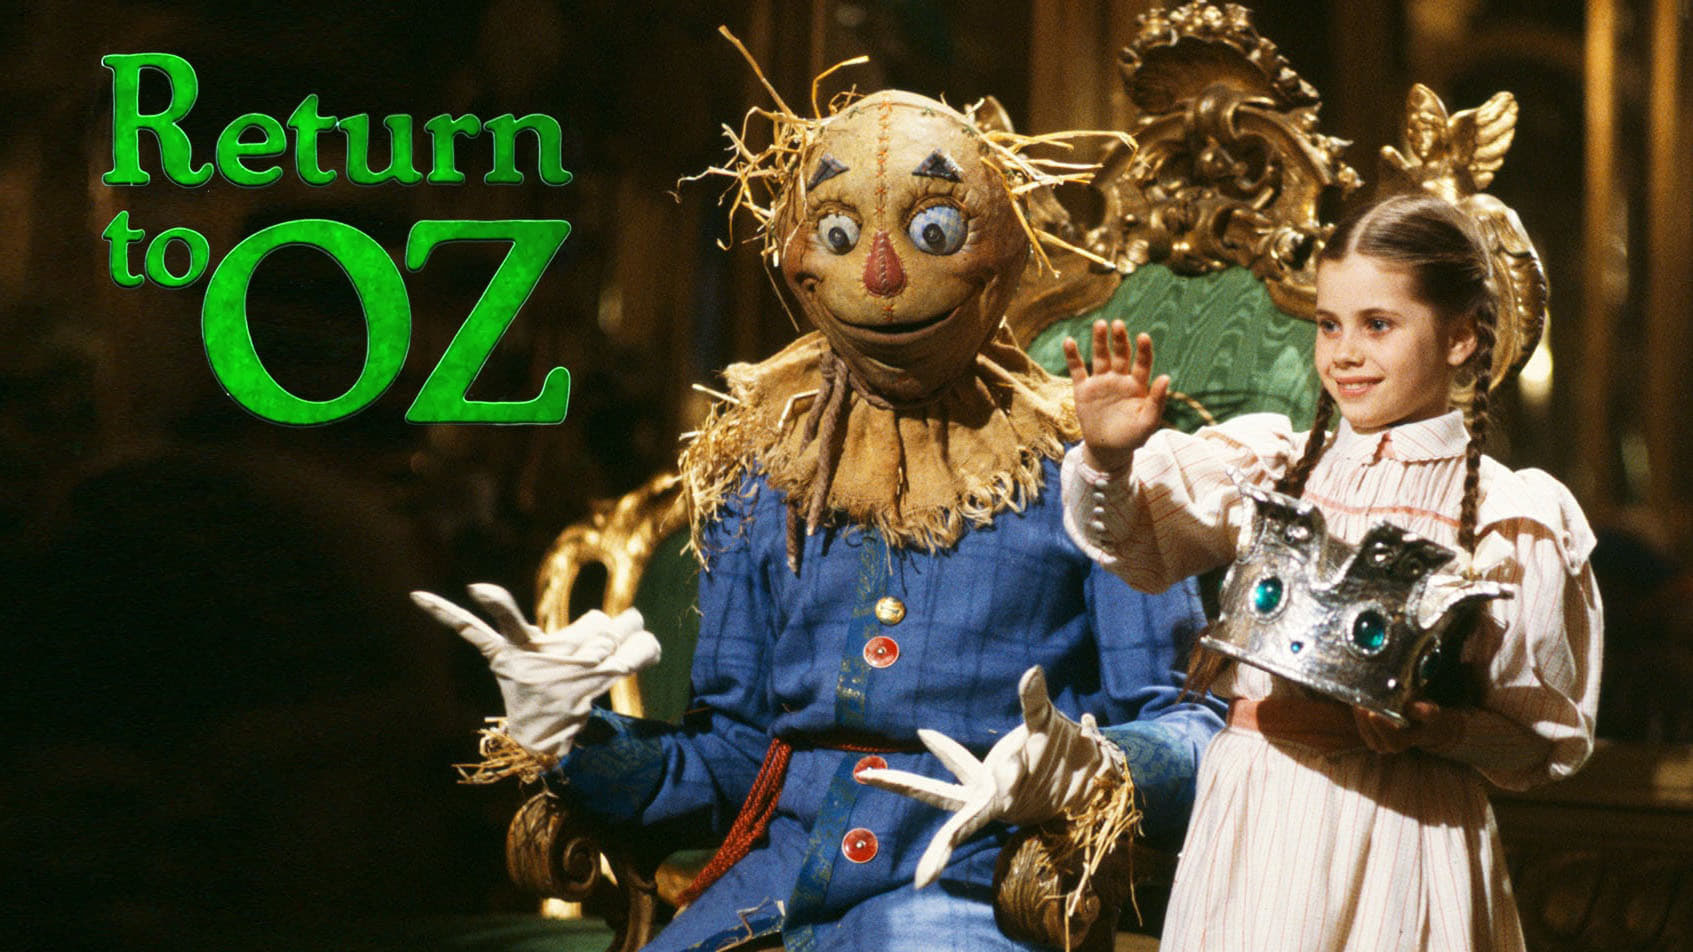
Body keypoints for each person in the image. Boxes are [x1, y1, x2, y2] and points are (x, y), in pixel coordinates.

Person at [419, 86, 1224, 952]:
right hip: (770, 894)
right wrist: (574, 737)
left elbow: (1190, 727)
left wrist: (1092, 767)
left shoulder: (1088, 466)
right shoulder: (764, 471)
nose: (880, 277)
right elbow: (733, 757)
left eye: (933, 231)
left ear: (1005, 246)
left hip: (972, 897)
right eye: (838, 234)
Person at [1059, 191, 1602, 951]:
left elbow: (1540, 741)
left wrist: (1438, 729)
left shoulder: (1508, 517)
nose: (1343, 352)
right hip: (1255, 815)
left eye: (1377, 325)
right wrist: (1109, 460)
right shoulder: (1278, 468)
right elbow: (1134, 544)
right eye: (1328, 324)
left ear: (1459, 337)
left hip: (1402, 831)